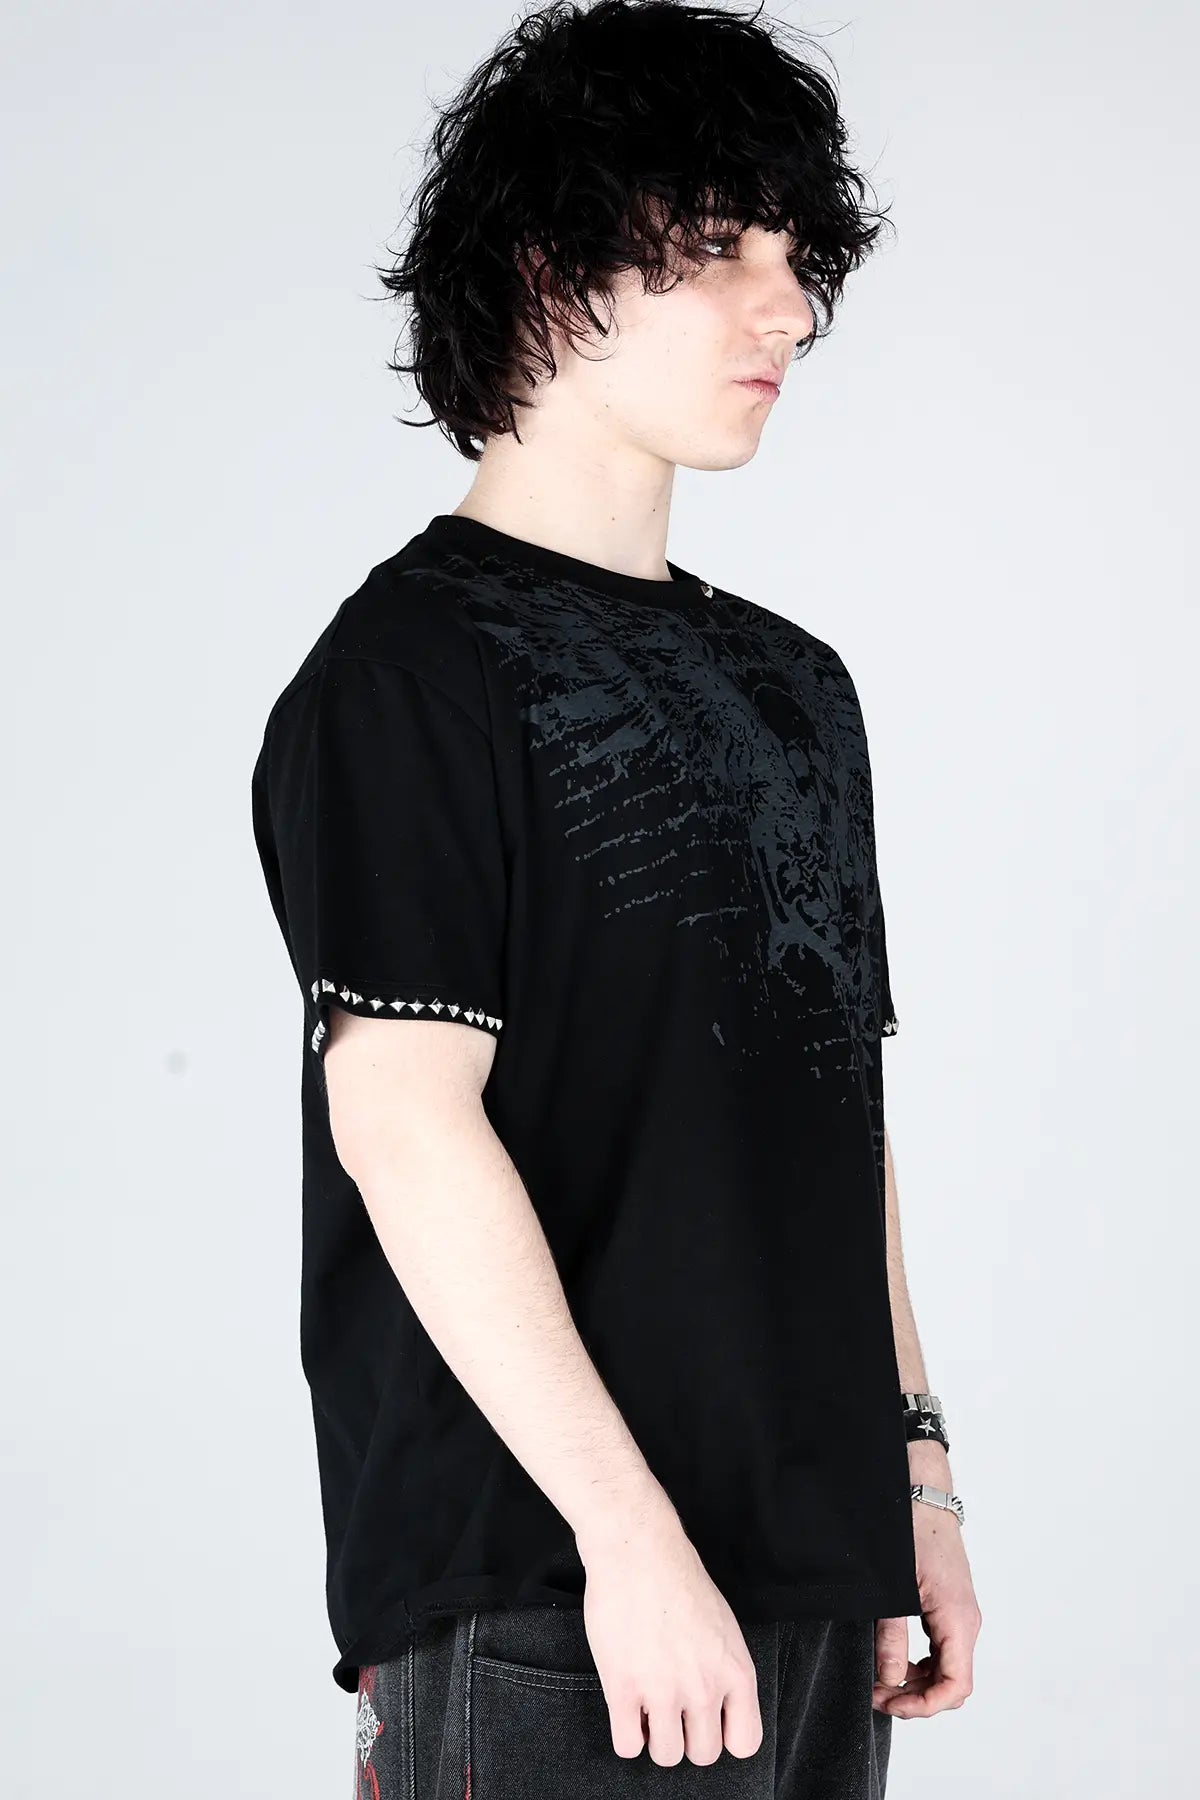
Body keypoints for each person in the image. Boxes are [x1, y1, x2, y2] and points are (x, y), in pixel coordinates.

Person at [249, 1, 982, 1792]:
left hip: (811, 1575)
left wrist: (918, 1478)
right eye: (719, 248)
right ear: (547, 268)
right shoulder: (411, 674)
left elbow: (842, 1118)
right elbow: (404, 1122)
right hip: (551, 1586)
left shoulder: (797, 691)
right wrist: (626, 1539)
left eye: (797, 259)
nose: (785, 310)